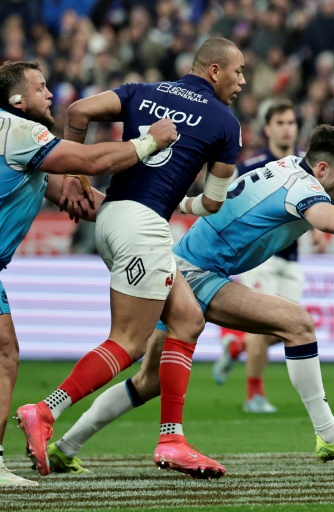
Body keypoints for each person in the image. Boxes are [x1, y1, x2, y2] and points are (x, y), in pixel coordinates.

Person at [44, 124, 334, 473]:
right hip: (197, 274)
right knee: (297, 324)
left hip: (181, 268)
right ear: (321, 167)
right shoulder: (301, 188)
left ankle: (66, 446)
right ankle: (329, 436)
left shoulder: (294, 171)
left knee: (148, 380)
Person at [15, 37, 246, 480]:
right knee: (128, 342)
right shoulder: (225, 123)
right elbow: (213, 202)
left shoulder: (141, 91)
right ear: (214, 71)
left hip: (112, 217)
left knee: (187, 319)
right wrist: (183, 204)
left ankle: (172, 439)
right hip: (144, 228)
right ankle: (45, 410)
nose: (241, 82)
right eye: (238, 72)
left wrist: (74, 181)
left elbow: (78, 111)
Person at [0, 60, 178, 486]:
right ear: (17, 100)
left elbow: (80, 197)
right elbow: (90, 158)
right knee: (4, 355)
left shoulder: (26, 151)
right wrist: (147, 142)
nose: (50, 95)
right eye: (41, 88)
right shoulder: (20, 130)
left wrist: (147, 215)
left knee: (5, 353)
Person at [213, 99, 306, 414]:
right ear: (268, 129)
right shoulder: (252, 167)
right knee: (265, 326)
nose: (286, 128)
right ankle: (254, 395)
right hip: (260, 259)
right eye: (280, 123)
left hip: (291, 260)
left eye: (291, 122)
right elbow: (228, 206)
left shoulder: (307, 165)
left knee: (290, 326)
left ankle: (236, 346)